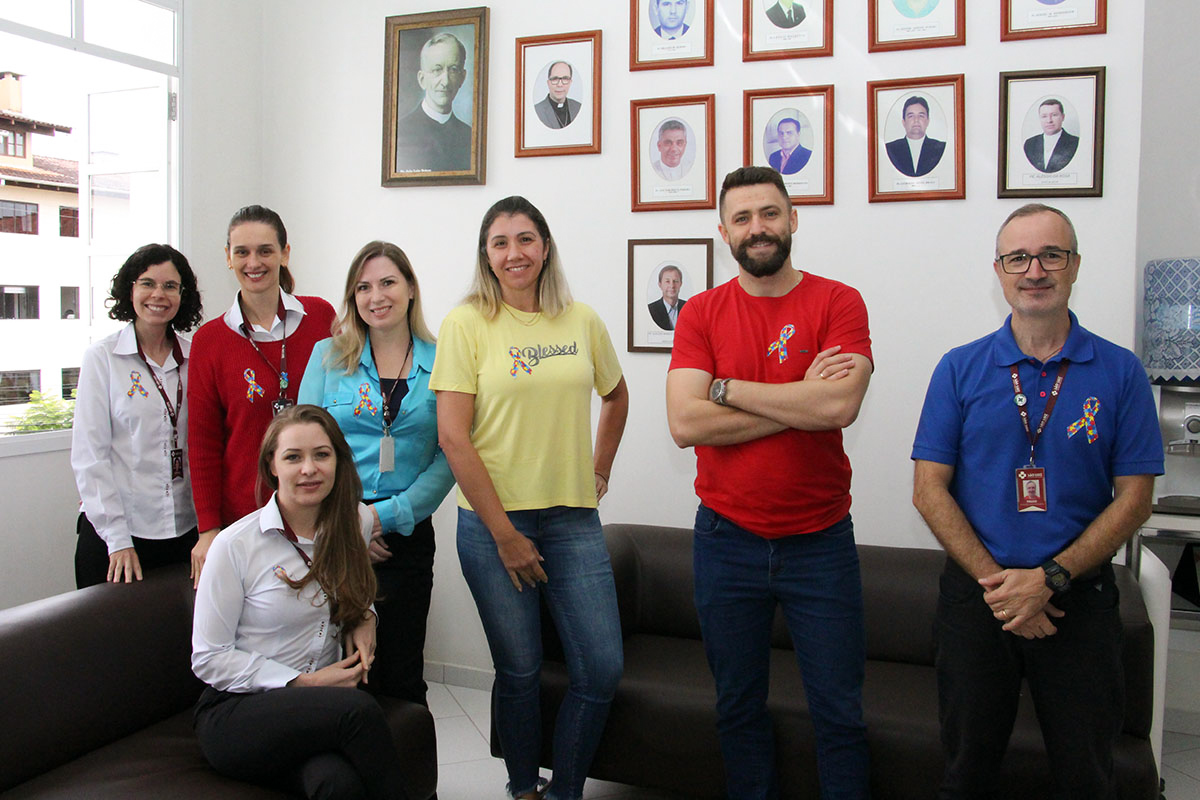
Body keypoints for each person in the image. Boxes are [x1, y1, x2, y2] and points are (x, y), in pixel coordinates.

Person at [911, 204, 1162, 799]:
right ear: (999, 270)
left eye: (1051, 254)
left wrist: (1049, 578)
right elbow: (928, 490)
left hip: (1079, 601)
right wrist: (1005, 589)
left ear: (1075, 265)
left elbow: (1135, 500)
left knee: (1086, 778)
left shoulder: (1121, 372)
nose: (1035, 270)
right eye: (1018, 258)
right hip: (980, 601)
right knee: (966, 776)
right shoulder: (959, 368)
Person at [666, 166, 873, 799]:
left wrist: (726, 389)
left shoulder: (838, 302)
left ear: (792, 219)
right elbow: (684, 423)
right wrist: (798, 399)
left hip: (820, 542)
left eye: (769, 213)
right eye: (742, 218)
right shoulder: (701, 312)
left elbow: (838, 406)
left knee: (839, 712)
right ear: (723, 231)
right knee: (737, 706)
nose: (757, 228)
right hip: (726, 541)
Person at [431, 196, 629, 800]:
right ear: (486, 255)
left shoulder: (581, 320)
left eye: (525, 239)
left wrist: (598, 468)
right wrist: (505, 534)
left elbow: (616, 395)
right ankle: (523, 787)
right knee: (519, 669)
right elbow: (453, 436)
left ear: (545, 247)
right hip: (493, 524)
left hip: (573, 519)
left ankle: (564, 789)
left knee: (601, 669)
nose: (513, 253)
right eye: (500, 242)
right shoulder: (466, 323)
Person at [192, 405, 409, 800]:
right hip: (238, 709)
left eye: (321, 455)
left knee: (335, 784)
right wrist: (301, 683)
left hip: (313, 709)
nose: (309, 469)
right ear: (272, 466)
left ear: (338, 461)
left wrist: (366, 617)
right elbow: (209, 658)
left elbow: (355, 589)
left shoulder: (355, 521)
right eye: (293, 457)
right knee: (357, 710)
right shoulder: (235, 546)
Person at [298, 241, 455, 706]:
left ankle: (408, 757)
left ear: (410, 288)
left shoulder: (444, 359)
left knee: (401, 674)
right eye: (363, 287)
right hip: (331, 531)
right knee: (338, 671)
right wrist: (350, 523)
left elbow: (452, 453)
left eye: (388, 282)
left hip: (404, 535)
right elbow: (302, 446)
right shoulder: (326, 357)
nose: (376, 296)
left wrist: (381, 518)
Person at [188, 205, 337, 587]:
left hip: (318, 511)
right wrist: (208, 528)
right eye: (242, 252)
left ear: (285, 253)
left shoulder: (321, 318)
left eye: (265, 251)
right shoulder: (209, 340)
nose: (253, 263)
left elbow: (345, 416)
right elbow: (203, 441)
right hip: (243, 519)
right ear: (228, 257)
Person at [71, 244, 204, 588]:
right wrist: (117, 539)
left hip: (185, 531)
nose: (158, 294)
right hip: (119, 535)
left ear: (182, 295)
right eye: (147, 283)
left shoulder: (196, 358)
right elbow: (90, 456)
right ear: (130, 289)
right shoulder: (103, 358)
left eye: (170, 286)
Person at [395, 32, 471, 173]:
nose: (445, 81)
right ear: (422, 79)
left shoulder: (469, 136)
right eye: (437, 70)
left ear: (462, 78)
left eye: (453, 70)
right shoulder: (400, 132)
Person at [885, 95, 945, 178]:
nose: (916, 120)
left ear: (928, 121)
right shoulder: (890, 149)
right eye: (911, 116)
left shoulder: (940, 148)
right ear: (903, 122)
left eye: (921, 116)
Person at [1023, 99, 1080, 174]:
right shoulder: (1029, 144)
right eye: (1044, 116)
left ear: (1063, 117)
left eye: (1054, 115)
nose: (1049, 120)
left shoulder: (1075, 143)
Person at [533, 61, 581, 130]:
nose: (560, 84)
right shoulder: (538, 110)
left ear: (570, 82)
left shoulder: (578, 107)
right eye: (555, 79)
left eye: (565, 78)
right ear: (548, 83)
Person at [648, 263, 686, 331]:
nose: (672, 286)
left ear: (680, 284)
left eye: (675, 281)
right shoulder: (652, 309)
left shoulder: (688, 307)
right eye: (667, 281)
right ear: (660, 284)